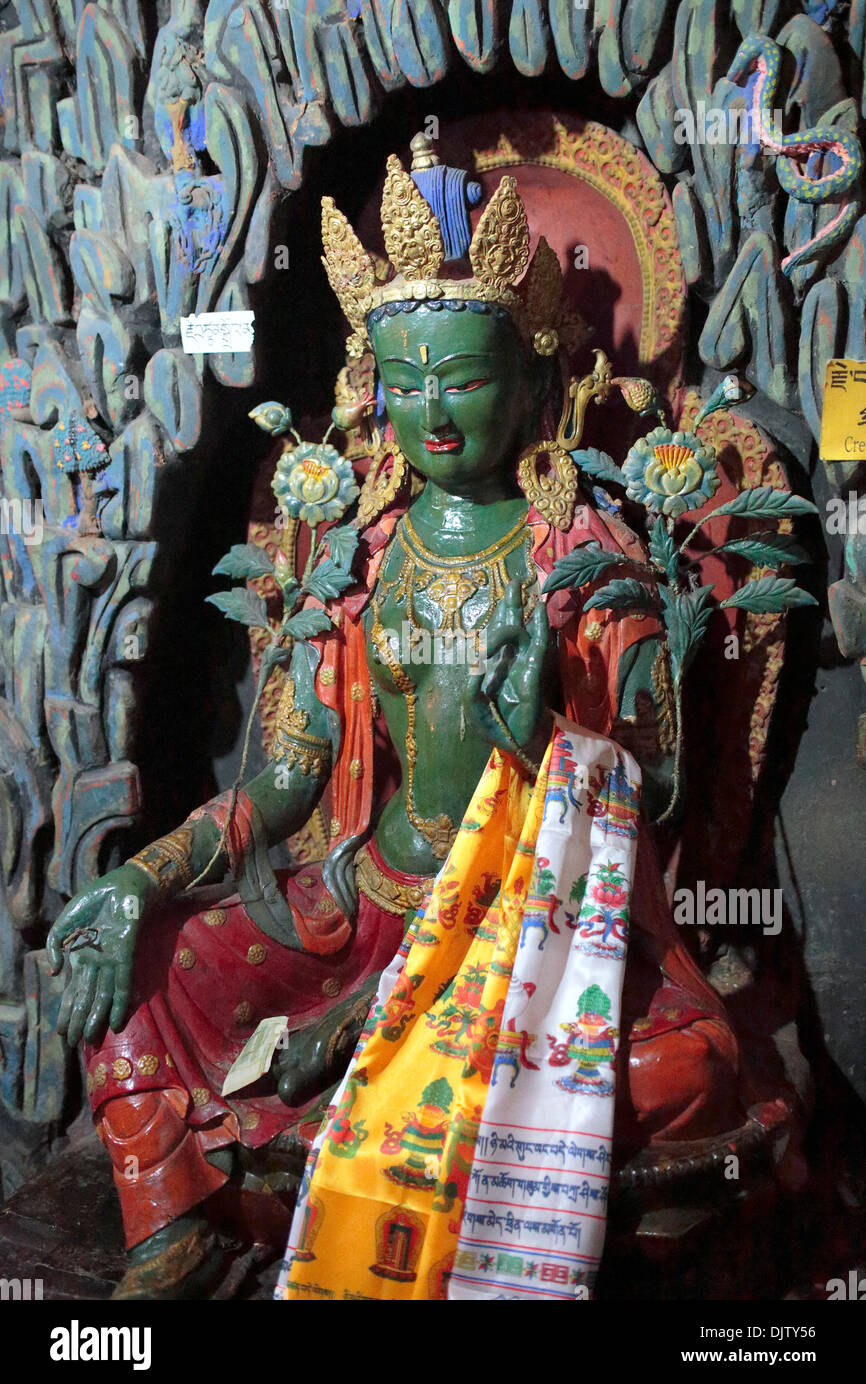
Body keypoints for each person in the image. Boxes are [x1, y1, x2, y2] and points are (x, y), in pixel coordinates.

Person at [47, 140, 740, 1300]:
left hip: (530, 937)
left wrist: (553, 738)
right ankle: (176, 1214)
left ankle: (320, 1168)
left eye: (461, 378)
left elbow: (657, 787)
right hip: (360, 907)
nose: (433, 412)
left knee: (689, 1067)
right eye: (405, 380)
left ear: (534, 380)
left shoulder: (586, 564)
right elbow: (282, 783)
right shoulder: (355, 569)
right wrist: (140, 879)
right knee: (131, 971)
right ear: (372, 382)